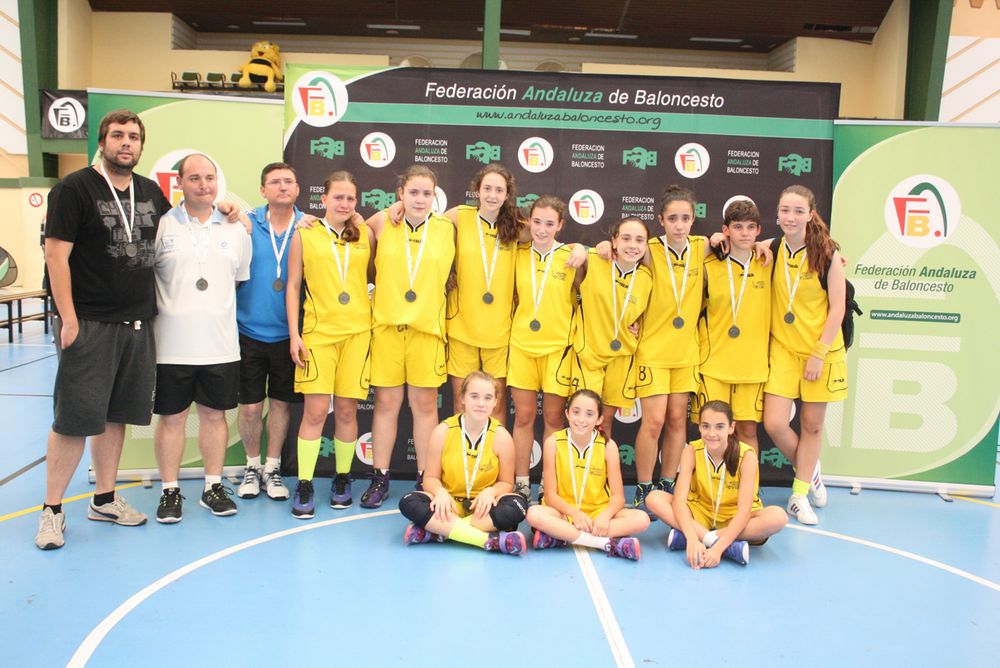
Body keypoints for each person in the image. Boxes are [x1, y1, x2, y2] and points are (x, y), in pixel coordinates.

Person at [36, 110, 169, 549]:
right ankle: (52, 510)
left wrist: (231, 211)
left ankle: (104, 498)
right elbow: (56, 257)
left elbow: (182, 234)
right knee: (74, 418)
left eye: (134, 136)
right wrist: (68, 318)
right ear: (103, 140)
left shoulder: (150, 192)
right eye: (118, 135)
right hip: (89, 322)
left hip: (137, 323)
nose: (126, 143)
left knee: (115, 416)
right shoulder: (74, 188)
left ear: (141, 145)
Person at [151, 153, 252, 522]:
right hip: (171, 346)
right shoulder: (161, 226)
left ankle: (213, 486)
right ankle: (169, 491)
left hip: (220, 344)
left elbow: (240, 278)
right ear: (179, 183)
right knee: (172, 421)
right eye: (195, 178)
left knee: (214, 418)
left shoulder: (235, 229)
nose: (204, 185)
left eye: (210, 177)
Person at [361, 165, 455, 507]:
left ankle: (424, 479)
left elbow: (484, 216)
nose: (419, 199)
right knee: (386, 404)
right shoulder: (384, 222)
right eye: (413, 192)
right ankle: (380, 477)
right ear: (400, 193)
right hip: (387, 328)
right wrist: (387, 210)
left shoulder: (447, 226)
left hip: (427, 331)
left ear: (435, 197)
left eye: (426, 193)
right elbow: (352, 223)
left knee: (425, 406)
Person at [286, 171, 374, 518]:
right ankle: (305, 483)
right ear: (323, 200)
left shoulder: (365, 234)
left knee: (349, 411)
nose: (344, 203)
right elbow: (293, 285)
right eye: (338, 197)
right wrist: (295, 334)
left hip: (357, 334)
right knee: (316, 411)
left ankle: (342, 477)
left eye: (350, 198)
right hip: (318, 336)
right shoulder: (304, 233)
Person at [762, 185, 847, 525]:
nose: (791, 217)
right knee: (775, 423)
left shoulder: (827, 253)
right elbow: (737, 246)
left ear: (811, 214)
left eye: (798, 211)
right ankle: (810, 469)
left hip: (820, 352)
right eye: (785, 210)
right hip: (783, 349)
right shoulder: (769, 247)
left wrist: (819, 353)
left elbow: (838, 308)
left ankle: (798, 494)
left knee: (812, 425)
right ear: (778, 213)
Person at [397, 371, 528, 555]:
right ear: (463, 398)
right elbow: (431, 478)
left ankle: (438, 532)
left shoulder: (502, 437)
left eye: (487, 397)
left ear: (495, 402)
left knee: (518, 505)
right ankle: (487, 540)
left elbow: (507, 483)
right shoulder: (443, 431)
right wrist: (440, 493)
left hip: (483, 508)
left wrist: (491, 491)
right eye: (474, 396)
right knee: (408, 502)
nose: (481, 403)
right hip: (449, 506)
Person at [645, 401, 787, 568]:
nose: (712, 433)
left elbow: (743, 511)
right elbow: (679, 501)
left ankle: (701, 537)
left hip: (734, 516)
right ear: (699, 427)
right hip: (701, 511)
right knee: (654, 498)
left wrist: (717, 550)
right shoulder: (691, 450)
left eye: (719, 427)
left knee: (778, 517)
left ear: (731, 428)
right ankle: (721, 543)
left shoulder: (747, 455)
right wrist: (692, 540)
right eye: (706, 426)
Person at [235, 162, 304, 502]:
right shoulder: (244, 223)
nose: (282, 187)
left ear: (297, 189)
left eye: (288, 181)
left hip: (289, 335)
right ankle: (251, 465)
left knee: (280, 405)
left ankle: (272, 467)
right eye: (274, 182)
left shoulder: (310, 227)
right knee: (249, 408)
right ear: (263, 190)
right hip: (247, 331)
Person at [508, 196, 582, 504]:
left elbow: (591, 295)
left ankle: (547, 486)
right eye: (536, 221)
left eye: (550, 223)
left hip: (558, 349)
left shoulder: (572, 256)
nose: (542, 229)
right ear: (529, 222)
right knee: (524, 417)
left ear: (561, 225)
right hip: (522, 345)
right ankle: (521, 483)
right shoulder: (516, 252)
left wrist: (584, 249)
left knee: (553, 418)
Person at [526, 390, 649, 560]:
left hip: (597, 513)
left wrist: (605, 517)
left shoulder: (608, 446)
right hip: (564, 512)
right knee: (534, 514)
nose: (581, 419)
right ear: (567, 413)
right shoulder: (552, 442)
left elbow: (618, 497)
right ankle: (606, 543)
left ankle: (561, 536)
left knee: (641, 519)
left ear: (599, 419)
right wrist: (575, 514)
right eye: (576, 412)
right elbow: (550, 495)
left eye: (589, 414)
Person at [696, 199, 770, 452]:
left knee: (748, 430)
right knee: (711, 431)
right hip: (714, 363)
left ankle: (748, 489)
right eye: (738, 227)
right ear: (725, 230)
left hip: (753, 365)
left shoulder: (768, 263)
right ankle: (710, 487)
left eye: (751, 227)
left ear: (759, 230)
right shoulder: (708, 265)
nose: (745, 233)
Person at [570, 218, 652, 440]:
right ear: (614, 240)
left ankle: (600, 472)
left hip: (622, 358)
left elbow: (648, 314)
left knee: (604, 422)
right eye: (625, 238)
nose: (632, 245)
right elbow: (566, 252)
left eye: (639, 240)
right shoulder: (595, 260)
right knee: (580, 419)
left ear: (646, 246)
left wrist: (638, 326)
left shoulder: (647, 277)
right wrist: (579, 247)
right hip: (589, 355)